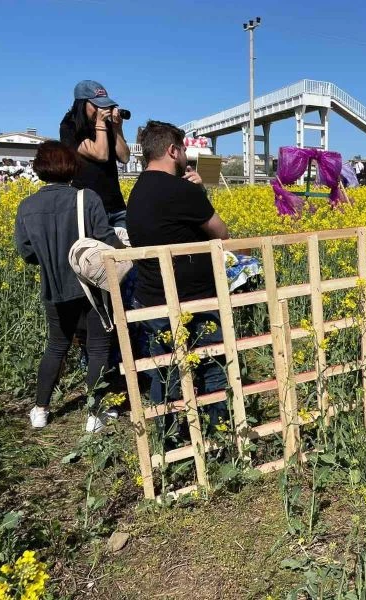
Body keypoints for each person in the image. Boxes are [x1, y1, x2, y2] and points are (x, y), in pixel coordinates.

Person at [126, 120, 230, 439]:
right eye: (183, 149)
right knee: (212, 365)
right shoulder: (183, 191)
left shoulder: (137, 192)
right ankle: (218, 434)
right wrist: (198, 191)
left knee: (167, 370)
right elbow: (221, 233)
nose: (185, 156)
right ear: (172, 151)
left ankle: (170, 438)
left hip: (151, 299)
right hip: (194, 300)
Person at [14, 141, 123, 432]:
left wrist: (51, 258)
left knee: (56, 347)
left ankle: (40, 410)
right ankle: (95, 415)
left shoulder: (27, 206)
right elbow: (107, 240)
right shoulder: (87, 198)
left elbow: (26, 252)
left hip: (54, 289)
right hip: (91, 287)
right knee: (98, 348)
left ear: (39, 169)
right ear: (72, 167)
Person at [60, 80, 130, 227]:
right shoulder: (70, 126)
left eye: (104, 105)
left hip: (116, 206)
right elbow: (101, 154)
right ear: (82, 104)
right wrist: (101, 124)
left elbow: (124, 157)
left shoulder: (107, 125)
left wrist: (117, 128)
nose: (101, 110)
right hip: (89, 207)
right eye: (97, 105)